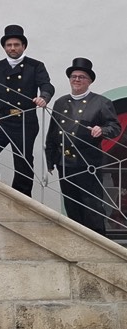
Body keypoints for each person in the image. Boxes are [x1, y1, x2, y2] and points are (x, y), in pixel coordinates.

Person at [45, 58, 120, 235]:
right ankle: (76, 242)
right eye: (74, 76)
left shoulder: (101, 102)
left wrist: (101, 129)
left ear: (89, 81)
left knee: (92, 206)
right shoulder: (61, 102)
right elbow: (53, 133)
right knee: (71, 204)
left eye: (82, 77)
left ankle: (97, 242)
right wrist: (50, 160)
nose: (77, 80)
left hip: (88, 164)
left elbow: (115, 127)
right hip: (65, 163)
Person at [0, 24, 54, 197]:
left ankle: (21, 198)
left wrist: (44, 97)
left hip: (25, 121)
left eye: (16, 44)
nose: (12, 48)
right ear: (4, 47)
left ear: (23, 46)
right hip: (3, 119)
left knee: (23, 161)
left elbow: (47, 85)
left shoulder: (35, 66)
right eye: (9, 45)